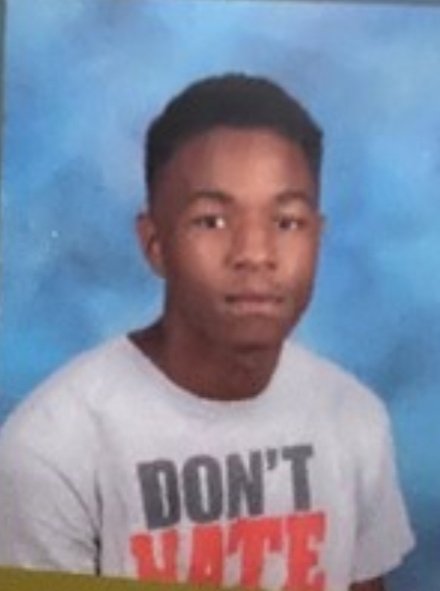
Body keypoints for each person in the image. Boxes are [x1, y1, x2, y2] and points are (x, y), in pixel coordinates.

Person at [0, 74, 414, 591]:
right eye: (212, 221)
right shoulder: (54, 447)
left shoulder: (354, 418)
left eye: (287, 222)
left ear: (318, 237)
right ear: (155, 244)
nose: (255, 254)